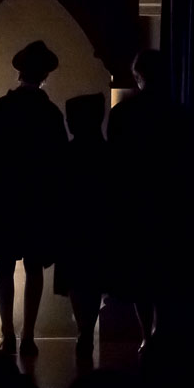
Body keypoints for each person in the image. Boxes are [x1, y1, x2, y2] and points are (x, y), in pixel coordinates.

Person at [0, 41, 68, 357]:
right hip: (38, 201)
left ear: (19, 72)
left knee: (5, 265)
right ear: (45, 75)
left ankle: (7, 333)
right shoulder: (50, 113)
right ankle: (27, 334)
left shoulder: (1, 108)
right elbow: (59, 164)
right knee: (34, 267)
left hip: (6, 199)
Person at [107, 49, 194, 357]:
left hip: (135, 203)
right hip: (169, 203)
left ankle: (147, 335)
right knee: (166, 272)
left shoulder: (123, 113)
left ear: (137, 76)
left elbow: (115, 164)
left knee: (140, 275)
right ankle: (161, 332)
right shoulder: (178, 113)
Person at [53, 93, 110, 360]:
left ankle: (83, 330)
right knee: (95, 280)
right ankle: (87, 328)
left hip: (72, 227)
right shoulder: (106, 152)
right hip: (99, 225)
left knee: (76, 280)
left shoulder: (67, 153)